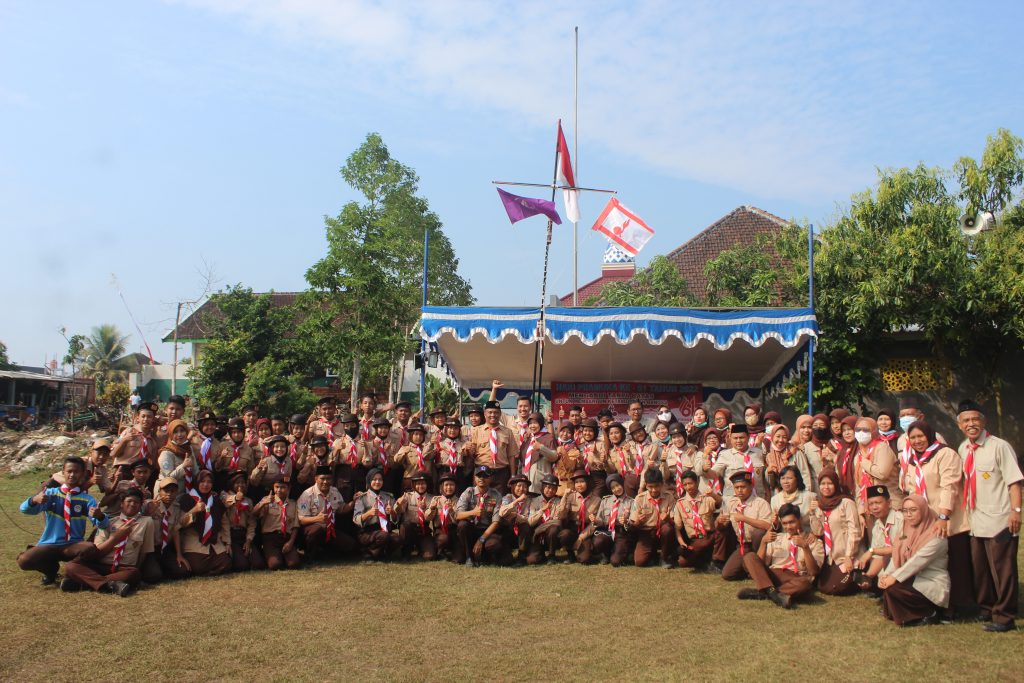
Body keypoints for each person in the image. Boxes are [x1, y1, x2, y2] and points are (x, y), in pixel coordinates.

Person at [956, 400, 1022, 632]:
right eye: (966, 421)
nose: (971, 424)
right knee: (981, 569)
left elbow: (1014, 483)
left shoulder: (999, 446)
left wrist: (1016, 512)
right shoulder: (963, 449)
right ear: (960, 425)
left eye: (975, 419)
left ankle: (1005, 616)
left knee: (1002, 571)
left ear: (983, 421)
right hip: (975, 520)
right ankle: (986, 609)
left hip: (999, 520)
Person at [900, 419, 972, 618]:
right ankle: (936, 603)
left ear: (930, 435)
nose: (917, 441)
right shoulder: (914, 461)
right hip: (927, 522)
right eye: (912, 437)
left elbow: (950, 486)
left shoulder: (945, 454)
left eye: (920, 436)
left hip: (949, 520)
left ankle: (958, 605)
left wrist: (943, 515)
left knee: (955, 564)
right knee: (934, 565)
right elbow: (913, 491)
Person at [17, 456, 109, 585]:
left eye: (76, 472)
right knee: (24, 560)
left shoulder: (87, 499)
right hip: (49, 544)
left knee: (90, 548)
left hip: (73, 545)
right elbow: (24, 510)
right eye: (69, 471)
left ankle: (72, 572)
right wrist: (34, 500)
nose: (72, 475)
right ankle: (51, 570)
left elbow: (103, 525)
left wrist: (99, 516)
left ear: (82, 474)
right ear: (63, 472)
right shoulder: (50, 494)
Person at [62, 487, 153, 596]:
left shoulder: (147, 522)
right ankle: (111, 585)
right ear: (121, 504)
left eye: (136, 502)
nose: (133, 504)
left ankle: (82, 583)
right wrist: (115, 538)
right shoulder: (108, 522)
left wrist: (137, 572)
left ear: (140, 505)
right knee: (71, 566)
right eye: (129, 501)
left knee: (134, 573)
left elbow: (144, 552)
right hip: (101, 564)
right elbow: (97, 552)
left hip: (123, 568)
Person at [879, 495, 949, 627]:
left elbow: (917, 562)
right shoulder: (906, 530)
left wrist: (894, 577)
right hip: (912, 579)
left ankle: (930, 613)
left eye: (913, 510)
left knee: (894, 588)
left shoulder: (937, 535)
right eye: (905, 511)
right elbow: (897, 556)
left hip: (929, 581)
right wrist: (885, 575)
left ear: (923, 510)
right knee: (890, 587)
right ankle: (905, 613)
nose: (908, 515)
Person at [737, 502, 825, 608]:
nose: (788, 527)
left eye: (792, 522)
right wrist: (763, 543)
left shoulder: (813, 542)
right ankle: (774, 594)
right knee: (749, 556)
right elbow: (760, 565)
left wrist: (805, 548)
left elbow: (814, 571)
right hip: (774, 575)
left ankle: (765, 592)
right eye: (784, 523)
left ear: (800, 520)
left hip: (796, 578)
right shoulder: (777, 538)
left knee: (805, 584)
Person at [810, 468, 862, 596]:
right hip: (830, 557)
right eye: (822, 484)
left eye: (830, 483)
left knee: (836, 588)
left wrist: (849, 556)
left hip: (846, 555)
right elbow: (818, 531)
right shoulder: (821, 504)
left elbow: (854, 530)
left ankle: (859, 577)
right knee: (822, 586)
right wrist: (813, 513)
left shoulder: (846, 503)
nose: (826, 487)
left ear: (836, 484)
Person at [715, 471, 772, 579]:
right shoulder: (732, 503)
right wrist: (719, 521)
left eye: (743, 487)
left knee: (758, 533)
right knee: (727, 574)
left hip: (758, 545)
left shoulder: (760, 503)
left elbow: (768, 525)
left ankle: (755, 566)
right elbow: (721, 526)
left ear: (751, 486)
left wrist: (744, 519)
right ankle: (747, 568)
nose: (740, 490)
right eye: (736, 487)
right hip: (743, 545)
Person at [298, 465, 356, 561]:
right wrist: (317, 519)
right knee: (316, 530)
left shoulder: (334, 491)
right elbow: (301, 519)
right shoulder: (307, 494)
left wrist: (353, 502)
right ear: (316, 479)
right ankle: (310, 556)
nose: (325, 482)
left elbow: (342, 509)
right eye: (322, 478)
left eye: (328, 478)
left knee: (350, 545)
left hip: (330, 529)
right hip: (312, 529)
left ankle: (326, 552)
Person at [854, 485, 902, 594]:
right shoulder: (876, 527)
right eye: (871, 504)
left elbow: (899, 549)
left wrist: (872, 551)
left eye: (878, 503)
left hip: (902, 565)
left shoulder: (901, 520)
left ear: (889, 503)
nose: (874, 507)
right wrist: (868, 576)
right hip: (888, 569)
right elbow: (878, 557)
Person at [456, 466, 507, 566]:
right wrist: (473, 512)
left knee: (494, 544)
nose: (481, 479)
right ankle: (469, 557)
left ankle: (485, 556)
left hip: (487, 531)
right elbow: (458, 515)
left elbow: (496, 522)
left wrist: (481, 539)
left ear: (491, 478)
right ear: (475, 478)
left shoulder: (496, 495)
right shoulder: (468, 492)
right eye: (479, 476)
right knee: (462, 525)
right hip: (471, 529)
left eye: (485, 476)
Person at [852, 416, 903, 515]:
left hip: (890, 504)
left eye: (865, 430)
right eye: (858, 430)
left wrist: (865, 463)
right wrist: (860, 508)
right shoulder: (858, 455)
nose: (861, 433)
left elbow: (882, 473)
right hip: (869, 506)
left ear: (874, 431)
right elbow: (858, 485)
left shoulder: (882, 448)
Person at [629, 468, 676, 568]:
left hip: (663, 532)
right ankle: (653, 555)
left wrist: (668, 519)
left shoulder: (669, 497)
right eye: (650, 487)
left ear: (662, 484)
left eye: (657, 486)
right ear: (646, 485)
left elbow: (675, 523)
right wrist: (637, 522)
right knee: (639, 562)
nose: (654, 490)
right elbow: (633, 524)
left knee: (667, 529)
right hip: (646, 533)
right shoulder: (639, 499)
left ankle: (664, 558)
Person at [468, 401, 518, 493]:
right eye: (490, 412)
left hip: (501, 473)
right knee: (480, 501)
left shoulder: (508, 432)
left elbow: (511, 455)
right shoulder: (477, 431)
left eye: (496, 412)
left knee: (500, 502)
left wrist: (513, 475)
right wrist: (470, 451)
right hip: (481, 472)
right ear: (485, 414)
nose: (493, 415)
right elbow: (472, 454)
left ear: (500, 414)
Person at [673, 470, 717, 569]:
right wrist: (682, 543)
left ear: (697, 482)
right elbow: (677, 527)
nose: (688, 487)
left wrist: (713, 495)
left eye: (690, 483)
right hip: (694, 540)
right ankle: (704, 561)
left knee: (703, 545)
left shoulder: (707, 498)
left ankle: (713, 560)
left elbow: (718, 503)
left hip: (708, 537)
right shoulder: (680, 503)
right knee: (683, 563)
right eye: (685, 484)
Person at [255, 477, 301, 570]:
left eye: (282, 487)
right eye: (276, 487)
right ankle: (270, 554)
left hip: (286, 538)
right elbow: (253, 514)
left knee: (294, 565)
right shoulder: (267, 500)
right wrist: (263, 504)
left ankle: (289, 555)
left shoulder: (293, 504)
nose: (279, 490)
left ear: (289, 488)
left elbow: (295, 526)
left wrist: (290, 542)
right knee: (275, 565)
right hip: (270, 538)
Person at [221, 471, 264, 571]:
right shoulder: (224, 495)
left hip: (243, 535)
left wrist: (248, 541)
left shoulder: (248, 501)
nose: (240, 485)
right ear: (232, 484)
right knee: (242, 566)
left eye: (243, 482)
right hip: (231, 535)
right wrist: (228, 542)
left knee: (258, 564)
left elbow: (252, 522)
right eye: (237, 482)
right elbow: (226, 502)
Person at [353, 467, 399, 561]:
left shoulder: (388, 497)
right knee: (384, 536)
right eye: (374, 479)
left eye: (380, 479)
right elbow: (356, 519)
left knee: (397, 539)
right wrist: (368, 514)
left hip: (384, 529)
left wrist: (392, 512)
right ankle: (369, 551)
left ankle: (377, 553)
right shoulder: (362, 498)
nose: (377, 482)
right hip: (368, 532)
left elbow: (395, 520)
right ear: (369, 481)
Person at [711, 424, 766, 500]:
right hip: (733, 501)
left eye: (741, 437)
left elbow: (764, 480)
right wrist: (705, 469)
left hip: (757, 500)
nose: (738, 441)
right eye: (735, 438)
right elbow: (713, 474)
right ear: (730, 438)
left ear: (748, 437)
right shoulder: (724, 455)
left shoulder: (759, 453)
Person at [591, 473, 635, 566]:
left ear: (622, 484)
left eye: (618, 485)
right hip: (608, 531)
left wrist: (626, 521)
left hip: (622, 533)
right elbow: (600, 520)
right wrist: (595, 520)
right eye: (613, 488)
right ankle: (606, 555)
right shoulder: (605, 501)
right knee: (598, 541)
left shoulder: (631, 502)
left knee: (615, 562)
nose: (616, 489)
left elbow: (633, 523)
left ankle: (623, 553)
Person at [558, 469, 600, 563]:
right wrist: (564, 496)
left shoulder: (596, 500)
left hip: (586, 530)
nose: (579, 485)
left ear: (588, 483)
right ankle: (570, 555)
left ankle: (592, 553)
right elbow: (561, 515)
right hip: (572, 528)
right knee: (564, 534)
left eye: (582, 482)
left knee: (584, 559)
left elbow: (594, 524)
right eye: (576, 482)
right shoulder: (570, 496)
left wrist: (581, 537)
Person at [395, 471, 436, 560]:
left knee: (429, 556)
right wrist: (398, 504)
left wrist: (425, 508)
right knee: (406, 526)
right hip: (409, 529)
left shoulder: (432, 498)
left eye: (423, 484)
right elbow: (399, 511)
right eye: (418, 484)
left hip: (424, 530)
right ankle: (406, 551)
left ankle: (420, 548)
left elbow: (429, 517)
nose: (420, 486)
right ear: (413, 485)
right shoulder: (407, 496)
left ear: (427, 484)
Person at [770, 465, 820, 535]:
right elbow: (778, 527)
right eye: (783, 478)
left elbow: (819, 522)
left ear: (797, 479)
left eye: (789, 478)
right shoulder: (775, 500)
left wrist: (813, 534)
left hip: (807, 536)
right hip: (787, 539)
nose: (785, 482)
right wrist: (775, 523)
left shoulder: (810, 497)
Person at [764, 424, 812, 494]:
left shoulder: (795, 452)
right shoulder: (769, 456)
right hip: (778, 496)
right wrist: (769, 472)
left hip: (797, 494)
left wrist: (806, 494)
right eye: (778, 436)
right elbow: (771, 484)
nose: (780, 440)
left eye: (784, 437)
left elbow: (805, 474)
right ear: (772, 437)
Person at [527, 473, 564, 565]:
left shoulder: (559, 502)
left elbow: (557, 522)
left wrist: (538, 530)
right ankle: (541, 554)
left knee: (553, 529)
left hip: (551, 537)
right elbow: (531, 522)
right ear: (543, 487)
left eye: (553, 488)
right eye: (547, 487)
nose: (550, 490)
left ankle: (552, 555)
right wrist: (542, 510)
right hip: (537, 538)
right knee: (532, 561)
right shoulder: (534, 501)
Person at [215, 417, 259, 491]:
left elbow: (250, 470)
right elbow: (216, 467)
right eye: (234, 432)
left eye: (239, 432)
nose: (236, 435)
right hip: (224, 479)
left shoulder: (248, 449)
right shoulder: (223, 445)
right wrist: (222, 457)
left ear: (243, 433)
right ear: (230, 433)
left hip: (240, 482)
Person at [498, 474, 534, 563]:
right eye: (519, 486)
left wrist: (516, 516)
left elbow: (529, 519)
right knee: (506, 561)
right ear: (513, 486)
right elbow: (502, 513)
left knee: (525, 526)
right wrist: (516, 501)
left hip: (523, 534)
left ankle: (522, 554)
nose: (521, 489)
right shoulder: (507, 497)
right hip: (509, 532)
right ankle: (506, 553)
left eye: (525, 486)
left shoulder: (530, 500)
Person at [110, 402, 159, 468]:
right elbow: (113, 454)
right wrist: (124, 440)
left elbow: (152, 463)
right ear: (138, 418)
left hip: (140, 473)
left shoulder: (151, 440)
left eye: (149, 417)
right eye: (143, 416)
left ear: (153, 419)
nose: (146, 419)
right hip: (124, 469)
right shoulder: (128, 432)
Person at [520, 412, 558, 493]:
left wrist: (541, 448)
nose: (532, 426)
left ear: (541, 423)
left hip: (540, 481)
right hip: (526, 480)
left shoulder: (548, 437)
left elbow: (554, 457)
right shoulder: (528, 439)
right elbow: (523, 460)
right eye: (530, 423)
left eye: (535, 423)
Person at [427, 472, 461, 561]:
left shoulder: (459, 501)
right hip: (440, 530)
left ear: (455, 487)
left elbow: (459, 520)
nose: (449, 488)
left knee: (459, 559)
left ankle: (453, 551)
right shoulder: (436, 499)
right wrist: (432, 508)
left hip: (454, 531)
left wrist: (452, 511)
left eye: (451, 485)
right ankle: (441, 551)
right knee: (443, 538)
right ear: (441, 487)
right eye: (446, 485)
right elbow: (427, 518)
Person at [393, 424, 437, 492]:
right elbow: (396, 460)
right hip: (410, 479)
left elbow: (428, 457)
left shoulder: (428, 448)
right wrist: (404, 452)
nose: (418, 437)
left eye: (421, 435)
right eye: (416, 434)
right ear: (411, 436)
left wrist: (431, 444)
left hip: (426, 479)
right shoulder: (406, 448)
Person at [157, 418, 192, 497]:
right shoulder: (166, 453)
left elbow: (195, 471)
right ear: (170, 434)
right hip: (167, 496)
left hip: (184, 493)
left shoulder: (189, 449)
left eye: (182, 431)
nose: (179, 435)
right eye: (175, 432)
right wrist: (183, 466)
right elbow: (168, 478)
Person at [576, 417, 610, 496]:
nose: (587, 433)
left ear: (595, 432)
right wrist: (579, 459)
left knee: (595, 498)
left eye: (590, 431)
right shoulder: (580, 445)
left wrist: (596, 453)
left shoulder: (600, 444)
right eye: (585, 430)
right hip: (585, 477)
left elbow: (604, 463)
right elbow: (580, 464)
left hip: (598, 477)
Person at [833, 415, 859, 497]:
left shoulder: (862, 450)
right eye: (844, 430)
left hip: (859, 494)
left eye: (850, 429)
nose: (847, 433)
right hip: (844, 495)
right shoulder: (842, 452)